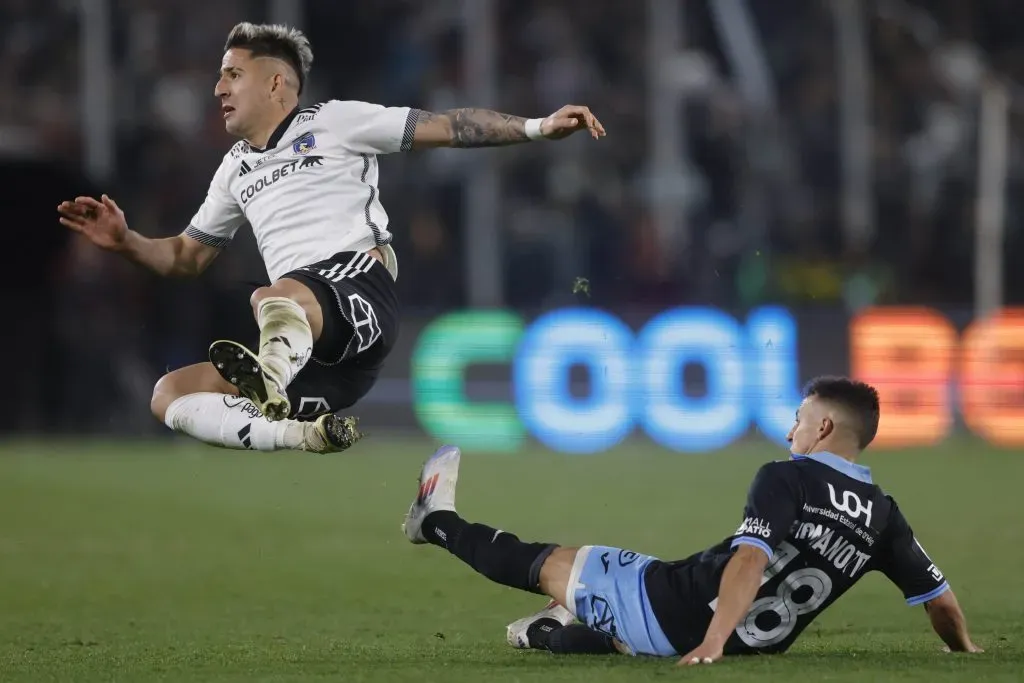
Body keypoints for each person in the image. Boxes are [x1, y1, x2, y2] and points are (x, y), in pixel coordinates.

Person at [56, 22, 605, 454]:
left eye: (232, 74)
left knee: (271, 295)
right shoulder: (234, 169)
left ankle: (268, 377)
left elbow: (447, 125)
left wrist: (537, 126)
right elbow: (185, 255)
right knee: (169, 394)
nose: (218, 88)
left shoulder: (335, 122)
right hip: (323, 364)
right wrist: (127, 240)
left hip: (359, 292)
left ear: (276, 82)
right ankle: (302, 433)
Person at [402, 376, 983, 665]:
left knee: (546, 562)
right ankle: (559, 629)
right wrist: (968, 653)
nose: (791, 431)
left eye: (800, 419)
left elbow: (751, 559)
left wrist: (710, 640)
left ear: (824, 429)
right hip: (752, 647)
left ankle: (436, 521)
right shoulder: (884, 516)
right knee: (627, 618)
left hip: (676, 609)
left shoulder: (789, 476)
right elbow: (942, 605)